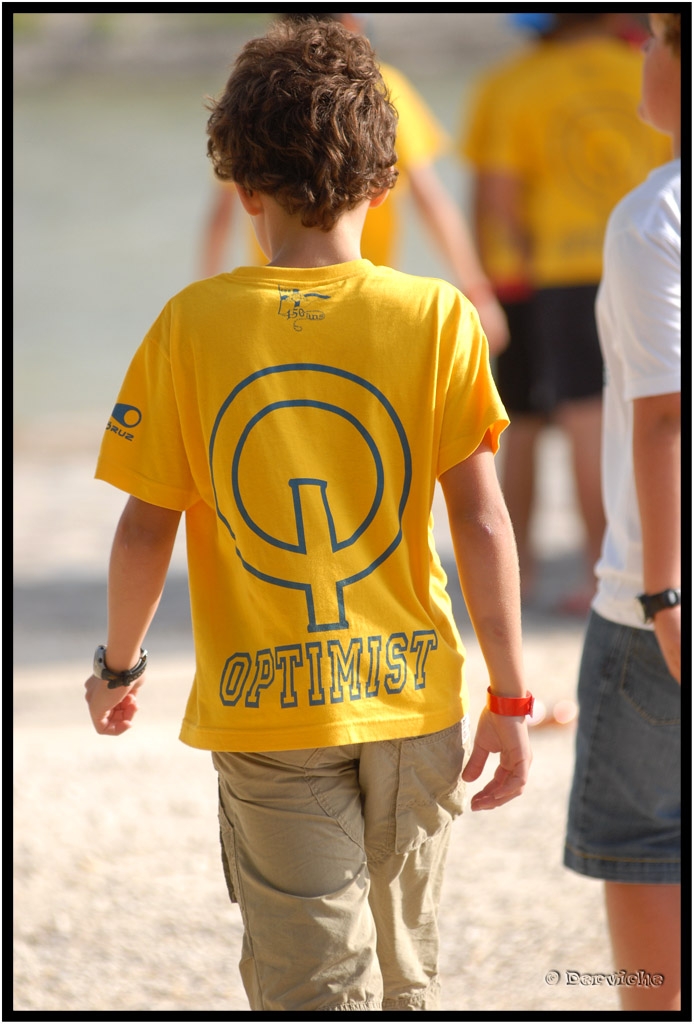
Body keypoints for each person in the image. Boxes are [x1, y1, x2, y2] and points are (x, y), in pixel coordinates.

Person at [84, 18, 532, 1013]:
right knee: (404, 977)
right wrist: (508, 697)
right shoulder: (437, 317)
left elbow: (145, 527)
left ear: (240, 188)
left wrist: (119, 665)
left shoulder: (191, 323)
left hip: (265, 704)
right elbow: (485, 527)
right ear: (382, 189)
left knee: (309, 984)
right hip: (414, 697)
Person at [459, 12, 673, 611]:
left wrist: (516, 261)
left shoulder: (518, 83)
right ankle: (643, 565)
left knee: (579, 420)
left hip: (558, 273)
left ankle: (595, 569)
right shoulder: (645, 68)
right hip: (652, 252)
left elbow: (496, 197)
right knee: (651, 412)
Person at [564, 11, 681, 1012]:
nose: (640, 52)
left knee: (644, 847)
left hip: (656, 593)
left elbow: (664, 419)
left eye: (654, 37)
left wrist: (662, 590)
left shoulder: (655, 218)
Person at [199, 11, 510, 355]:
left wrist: (207, 296)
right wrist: (477, 291)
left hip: (267, 303)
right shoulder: (376, 89)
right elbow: (430, 199)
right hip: (369, 302)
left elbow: (220, 214)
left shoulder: (255, 92)